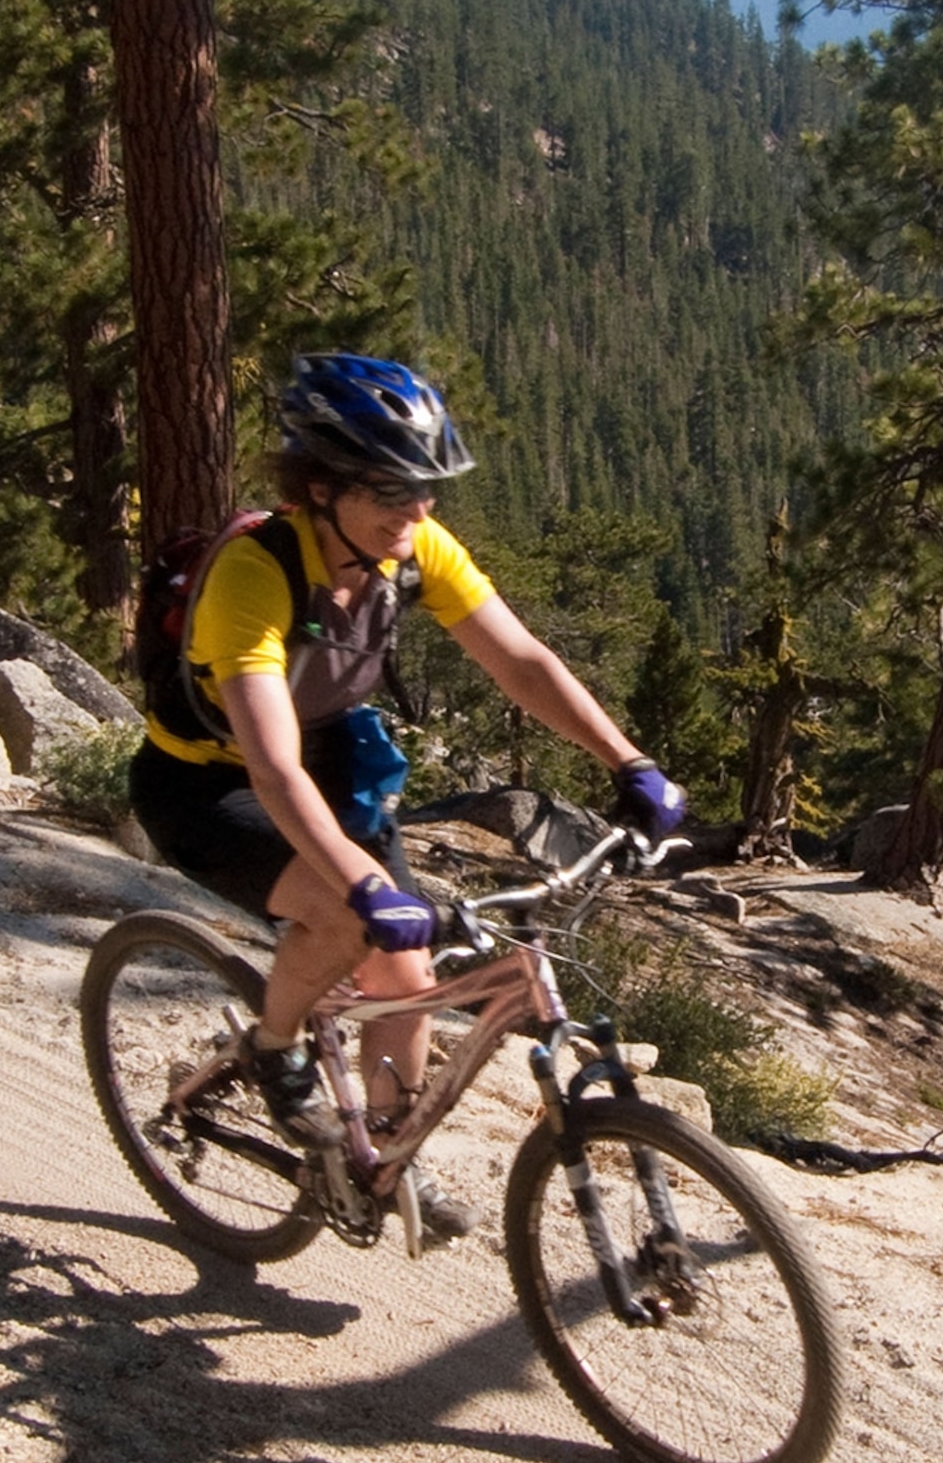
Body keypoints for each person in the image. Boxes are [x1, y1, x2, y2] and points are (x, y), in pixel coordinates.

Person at [128, 353, 686, 1237]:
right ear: (319, 486)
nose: (418, 510)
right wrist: (360, 886)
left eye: (426, 488)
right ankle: (275, 1050)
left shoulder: (413, 549)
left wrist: (629, 763)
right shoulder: (256, 574)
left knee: (408, 973)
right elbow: (270, 772)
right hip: (206, 783)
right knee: (351, 919)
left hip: (327, 767)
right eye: (392, 489)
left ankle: (375, 1154)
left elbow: (523, 662)